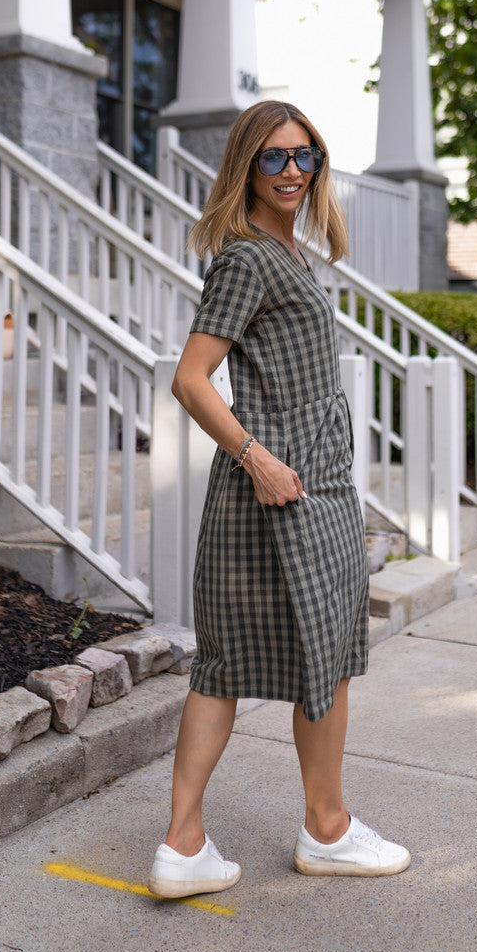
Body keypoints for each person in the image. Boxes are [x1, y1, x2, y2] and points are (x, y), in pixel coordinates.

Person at [148, 101, 410, 899]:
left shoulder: (289, 253)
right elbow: (190, 379)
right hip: (280, 489)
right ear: (244, 169)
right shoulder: (249, 259)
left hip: (305, 487)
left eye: (306, 157)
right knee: (303, 661)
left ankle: (183, 848)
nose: (292, 170)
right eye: (273, 158)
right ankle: (324, 831)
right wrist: (257, 459)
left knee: (242, 666)